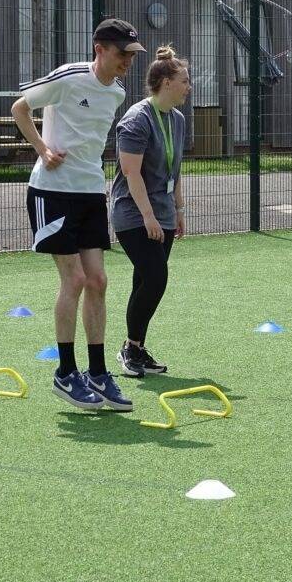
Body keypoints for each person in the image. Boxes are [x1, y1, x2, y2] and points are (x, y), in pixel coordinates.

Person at [11, 17, 144, 412]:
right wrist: (42, 149)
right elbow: (20, 108)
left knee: (99, 280)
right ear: (99, 49)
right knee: (76, 279)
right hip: (51, 192)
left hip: (90, 192)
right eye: (123, 54)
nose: (128, 62)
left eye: (132, 56)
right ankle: (66, 373)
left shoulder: (117, 94)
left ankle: (99, 374)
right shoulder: (69, 77)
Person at [111, 46, 191, 378]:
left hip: (163, 212)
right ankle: (129, 349)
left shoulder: (178, 119)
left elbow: (175, 169)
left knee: (145, 279)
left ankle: (137, 349)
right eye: (184, 81)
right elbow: (131, 172)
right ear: (165, 82)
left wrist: (178, 210)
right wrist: (148, 216)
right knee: (156, 277)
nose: (188, 87)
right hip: (133, 213)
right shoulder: (137, 118)